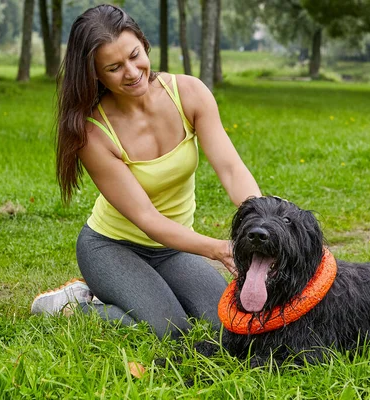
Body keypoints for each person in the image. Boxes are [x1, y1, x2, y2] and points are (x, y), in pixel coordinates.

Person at [30, 4, 261, 340]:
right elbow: (147, 218)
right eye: (114, 67)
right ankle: (74, 304)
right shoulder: (92, 133)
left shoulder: (189, 93)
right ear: (95, 74)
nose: (132, 72)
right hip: (113, 247)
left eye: (135, 55)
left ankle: (137, 293)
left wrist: (261, 216)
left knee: (225, 325)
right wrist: (219, 248)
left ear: (143, 42)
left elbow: (230, 168)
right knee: (170, 330)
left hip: (173, 248)